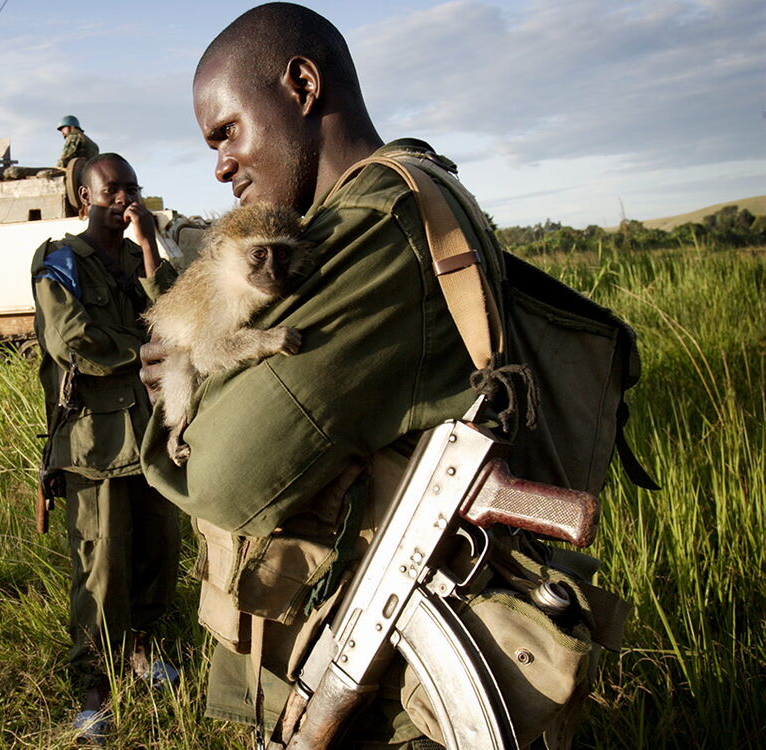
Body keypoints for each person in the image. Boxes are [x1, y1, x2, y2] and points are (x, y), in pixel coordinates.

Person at [138, 3, 515, 747]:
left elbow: (220, 476)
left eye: (227, 131)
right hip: (349, 654)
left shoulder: (375, 225)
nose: (218, 165)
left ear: (303, 85)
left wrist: (174, 409)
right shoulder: (358, 213)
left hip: (395, 696)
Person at [31, 153, 181, 742]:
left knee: (158, 550)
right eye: (111, 190)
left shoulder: (138, 256)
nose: (124, 199)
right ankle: (93, 691)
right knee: (100, 566)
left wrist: (149, 250)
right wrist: (140, 353)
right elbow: (71, 339)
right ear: (83, 199)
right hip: (95, 442)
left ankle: (142, 655)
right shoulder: (59, 260)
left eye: (132, 189)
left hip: (151, 433)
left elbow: (175, 319)